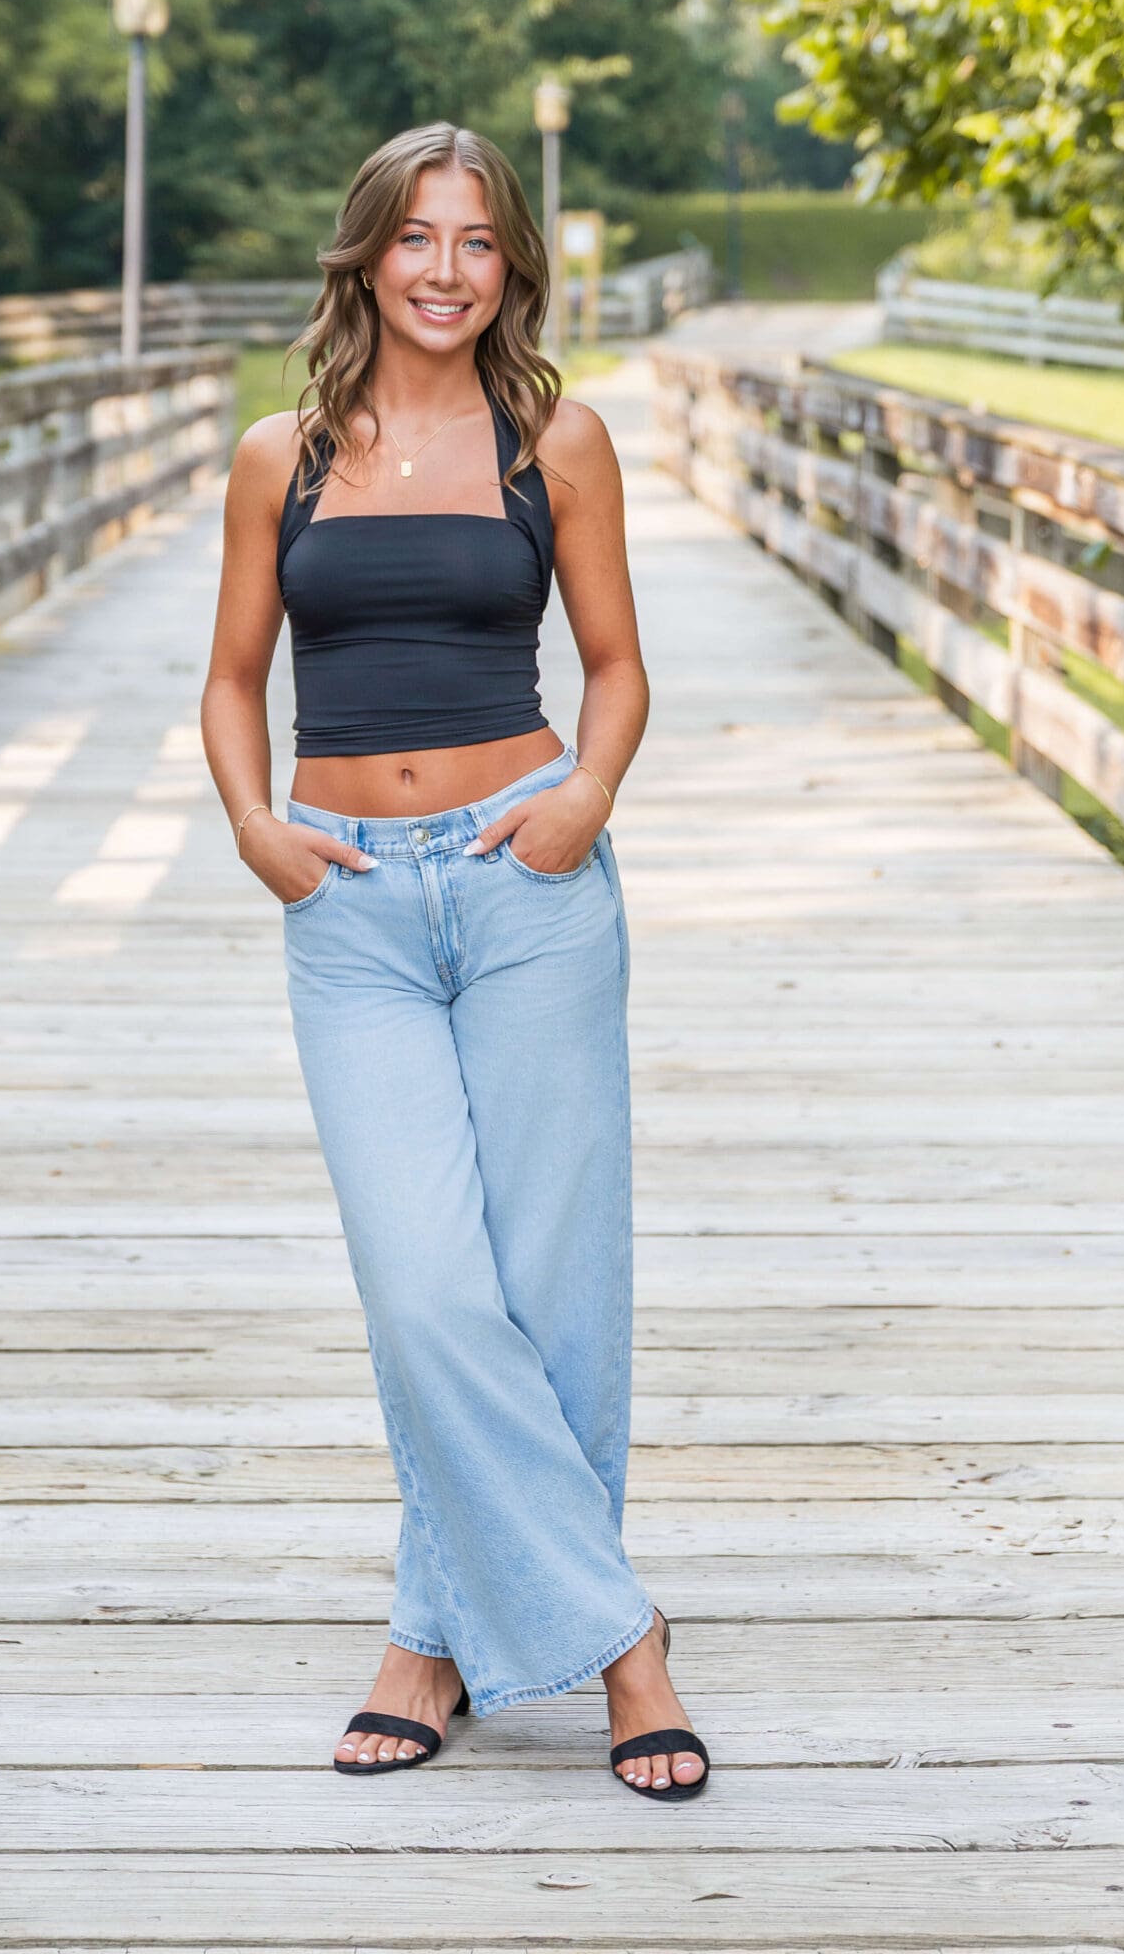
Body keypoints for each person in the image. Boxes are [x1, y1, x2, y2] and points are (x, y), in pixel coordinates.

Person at [200, 121, 708, 1799]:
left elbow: (619, 665)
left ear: (514, 266)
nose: (442, 269)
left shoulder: (554, 440)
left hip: (525, 883)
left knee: (554, 1288)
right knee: (426, 1288)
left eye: (477, 241)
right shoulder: (282, 454)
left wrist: (585, 796)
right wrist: (253, 824)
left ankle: (430, 1637)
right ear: (365, 254)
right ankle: (624, 1637)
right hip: (345, 905)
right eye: (415, 237)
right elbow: (231, 678)